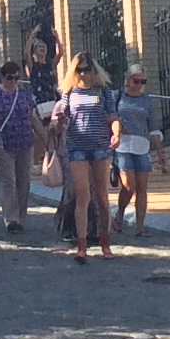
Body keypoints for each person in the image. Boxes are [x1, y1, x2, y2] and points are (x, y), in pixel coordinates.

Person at [52, 53, 118, 263]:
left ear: (93, 70)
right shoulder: (69, 94)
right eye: (79, 70)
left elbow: (113, 116)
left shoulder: (103, 92)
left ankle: (105, 242)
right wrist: (60, 122)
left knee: (102, 196)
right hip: (77, 147)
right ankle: (82, 246)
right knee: (82, 196)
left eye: (87, 69)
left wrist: (116, 132)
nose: (83, 74)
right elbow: (61, 121)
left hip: (100, 147)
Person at [0, 69, 35, 236]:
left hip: (24, 142)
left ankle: (21, 217)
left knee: (23, 180)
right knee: (8, 181)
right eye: (10, 77)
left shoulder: (24, 94)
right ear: (2, 77)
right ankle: (11, 219)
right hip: (3, 144)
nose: (13, 81)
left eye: (16, 77)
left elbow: (32, 116)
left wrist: (44, 137)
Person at [112, 65, 159, 236]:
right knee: (128, 186)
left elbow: (153, 124)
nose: (139, 84)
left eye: (142, 81)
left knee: (142, 188)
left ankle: (140, 226)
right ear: (128, 79)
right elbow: (110, 116)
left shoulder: (147, 100)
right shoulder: (117, 97)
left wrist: (160, 151)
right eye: (136, 80)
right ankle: (119, 214)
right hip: (123, 145)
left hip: (141, 146)